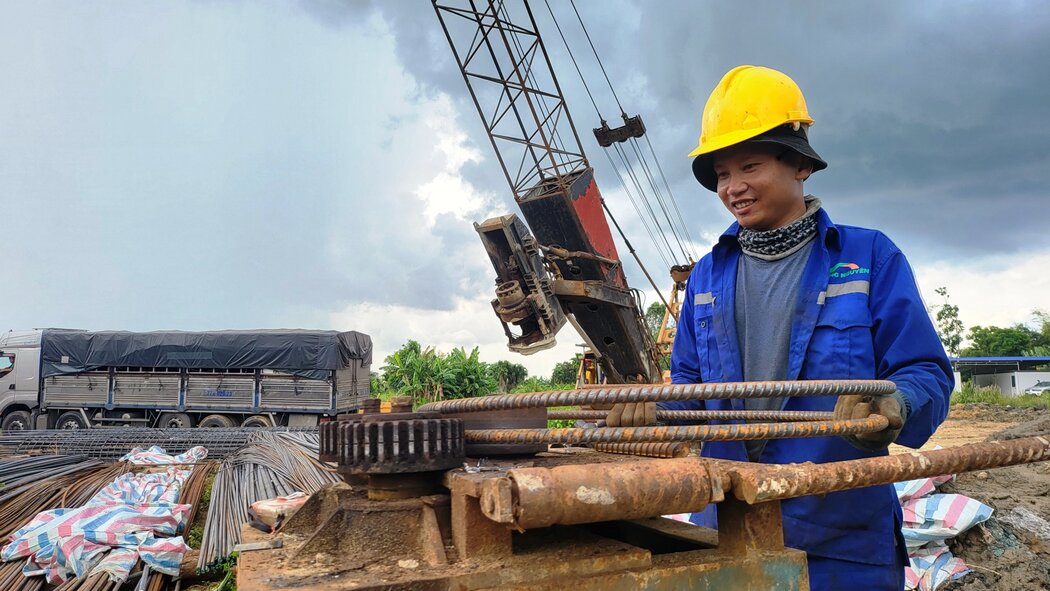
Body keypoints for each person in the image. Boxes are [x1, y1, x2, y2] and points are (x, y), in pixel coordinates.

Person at [606, 65, 953, 590]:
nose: (733, 187)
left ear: (799, 165)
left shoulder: (868, 257)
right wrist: (654, 408)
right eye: (721, 174)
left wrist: (897, 405)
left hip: (840, 536)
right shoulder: (706, 276)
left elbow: (924, 370)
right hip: (728, 528)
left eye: (750, 165)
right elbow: (694, 395)